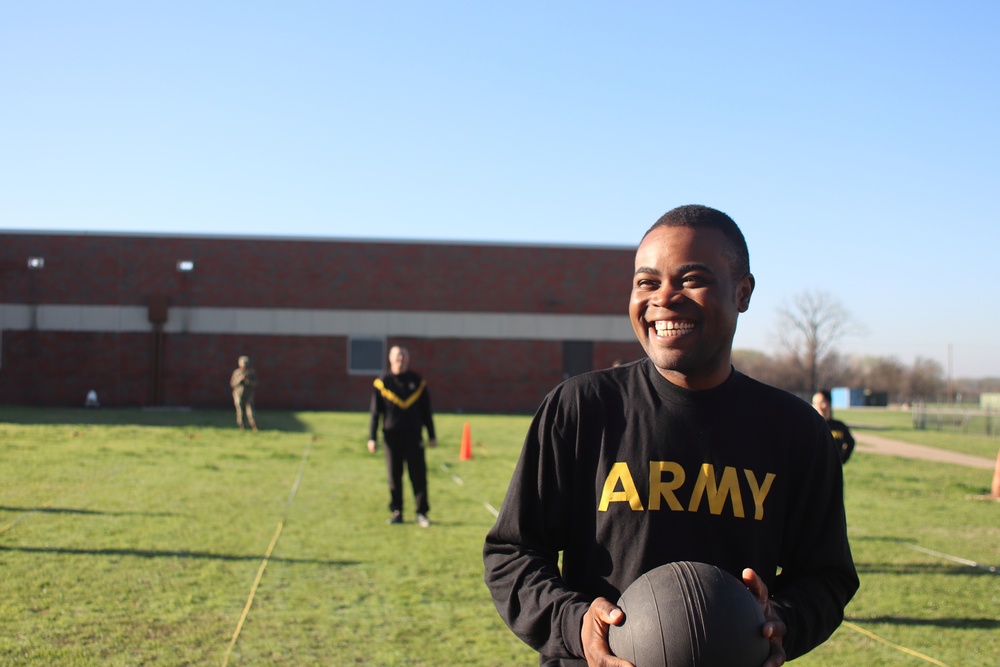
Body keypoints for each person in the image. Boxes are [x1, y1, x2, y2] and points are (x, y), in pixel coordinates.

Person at [483, 205, 858, 667]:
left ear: (742, 292)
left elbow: (827, 576)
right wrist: (575, 623)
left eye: (691, 279)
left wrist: (782, 619)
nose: (664, 298)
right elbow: (512, 553)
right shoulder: (581, 409)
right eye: (647, 282)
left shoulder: (795, 430)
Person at [368, 346, 437, 527]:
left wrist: (431, 434)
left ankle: (422, 512)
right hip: (391, 437)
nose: (400, 359)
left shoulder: (418, 382)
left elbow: (426, 411)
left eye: (403, 356)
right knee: (394, 475)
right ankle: (397, 511)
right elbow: (375, 413)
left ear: (408, 359)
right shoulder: (383, 383)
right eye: (397, 356)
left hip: (414, 436)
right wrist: (372, 437)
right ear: (390, 359)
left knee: (418, 475)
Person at [812, 389, 856, 464]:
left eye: (822, 402)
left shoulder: (839, 426)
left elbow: (851, 443)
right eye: (815, 403)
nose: (819, 406)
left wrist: (842, 460)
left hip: (833, 470)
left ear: (829, 403)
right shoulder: (811, 426)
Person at [229, 355, 258, 432]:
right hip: (238, 394)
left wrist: (248, 382)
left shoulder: (251, 373)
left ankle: (254, 426)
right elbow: (232, 384)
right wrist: (240, 380)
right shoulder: (237, 372)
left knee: (250, 411)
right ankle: (242, 426)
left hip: (248, 394)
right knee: (240, 411)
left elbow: (255, 383)